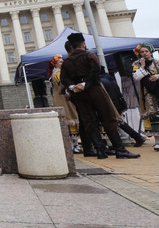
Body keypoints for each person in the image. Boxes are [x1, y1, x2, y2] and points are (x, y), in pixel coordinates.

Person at [60, 32, 140, 160]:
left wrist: (74, 86)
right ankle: (120, 150)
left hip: (79, 94)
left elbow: (64, 79)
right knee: (108, 117)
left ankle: (100, 151)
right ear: (83, 44)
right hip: (94, 90)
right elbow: (96, 71)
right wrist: (85, 84)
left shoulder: (66, 62)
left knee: (89, 121)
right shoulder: (89, 55)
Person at [98, 69, 146, 147]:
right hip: (118, 102)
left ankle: (116, 142)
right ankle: (137, 137)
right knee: (119, 122)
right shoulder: (109, 77)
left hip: (110, 104)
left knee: (114, 123)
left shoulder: (100, 81)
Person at [46, 54, 81, 153]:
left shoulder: (59, 72)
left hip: (65, 98)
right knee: (69, 119)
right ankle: (71, 145)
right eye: (60, 62)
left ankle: (75, 145)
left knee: (71, 120)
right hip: (63, 99)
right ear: (56, 64)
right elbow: (63, 84)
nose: (63, 63)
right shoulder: (57, 73)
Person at [131, 42, 159, 151]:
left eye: (146, 51)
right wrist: (142, 66)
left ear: (150, 52)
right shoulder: (136, 64)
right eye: (142, 52)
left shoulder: (157, 62)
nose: (144, 53)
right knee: (154, 116)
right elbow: (136, 77)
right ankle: (157, 142)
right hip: (147, 93)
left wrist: (157, 76)